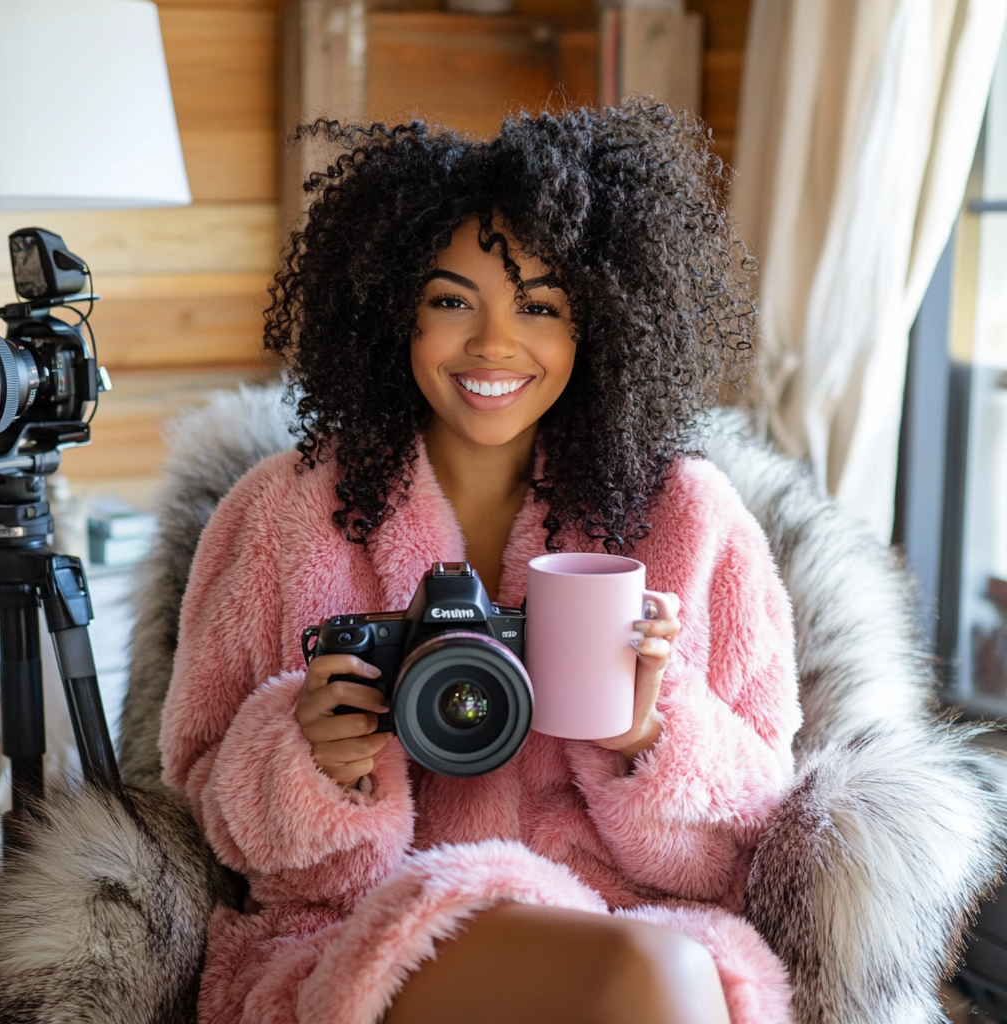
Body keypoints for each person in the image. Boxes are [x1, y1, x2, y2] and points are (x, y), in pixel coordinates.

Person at [159, 102, 801, 1024]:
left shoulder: (691, 519)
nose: (494, 345)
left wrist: (645, 738)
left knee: (657, 973)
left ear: (602, 323)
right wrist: (313, 760)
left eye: (540, 306)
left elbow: (751, 840)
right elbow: (208, 808)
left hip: (642, 925)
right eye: (452, 300)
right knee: (647, 983)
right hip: (363, 936)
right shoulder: (283, 513)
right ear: (395, 312)